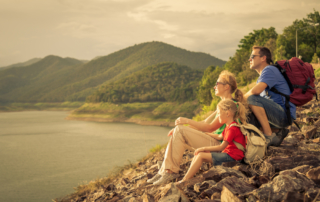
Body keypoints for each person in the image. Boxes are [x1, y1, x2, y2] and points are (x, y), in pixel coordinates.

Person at [148, 70, 245, 185]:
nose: (214, 86)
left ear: (226, 87)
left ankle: (170, 172)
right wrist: (185, 129)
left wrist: (185, 121)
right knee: (177, 133)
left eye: (217, 83)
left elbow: (209, 128)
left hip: (221, 147)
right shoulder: (223, 105)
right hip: (216, 142)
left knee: (179, 130)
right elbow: (204, 122)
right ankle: (164, 171)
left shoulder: (229, 107)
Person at [176, 99, 247, 183]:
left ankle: (184, 181)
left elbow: (221, 147)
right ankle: (188, 177)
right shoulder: (229, 126)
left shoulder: (232, 129)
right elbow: (219, 136)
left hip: (233, 158)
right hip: (229, 154)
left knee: (200, 155)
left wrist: (202, 148)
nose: (218, 116)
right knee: (199, 154)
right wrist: (206, 134)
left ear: (227, 113)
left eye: (219, 114)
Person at [245, 46, 294, 147]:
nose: (249, 59)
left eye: (252, 56)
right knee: (246, 112)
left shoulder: (269, 70)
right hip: (278, 115)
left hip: (283, 115)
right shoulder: (263, 76)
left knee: (252, 99)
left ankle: (269, 135)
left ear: (263, 58)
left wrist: (239, 99)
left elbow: (255, 91)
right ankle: (277, 132)